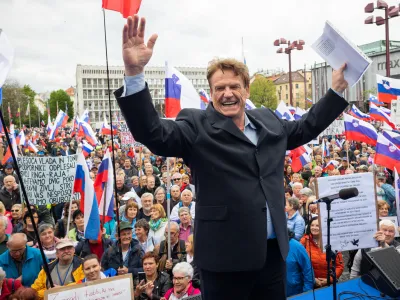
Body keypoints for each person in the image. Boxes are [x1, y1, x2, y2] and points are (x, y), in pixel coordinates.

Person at [117, 15, 348, 299]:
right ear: (211, 94)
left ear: (246, 90)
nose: (228, 93)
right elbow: (152, 133)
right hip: (224, 260)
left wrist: (336, 91)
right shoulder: (195, 125)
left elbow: (305, 127)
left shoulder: (267, 120)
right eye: (219, 88)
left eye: (234, 86)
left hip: (272, 254)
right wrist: (134, 74)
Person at [300, 217, 344, 288]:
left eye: (317, 225)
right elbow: (299, 264)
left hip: (328, 284)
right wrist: (312, 279)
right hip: (309, 283)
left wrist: (329, 279)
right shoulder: (304, 241)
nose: (314, 228)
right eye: (312, 225)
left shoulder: (332, 242)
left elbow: (339, 266)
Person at [286, 230, 313, 297]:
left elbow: (308, 271)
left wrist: (306, 294)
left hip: (294, 293)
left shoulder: (296, 246)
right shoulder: (265, 245)